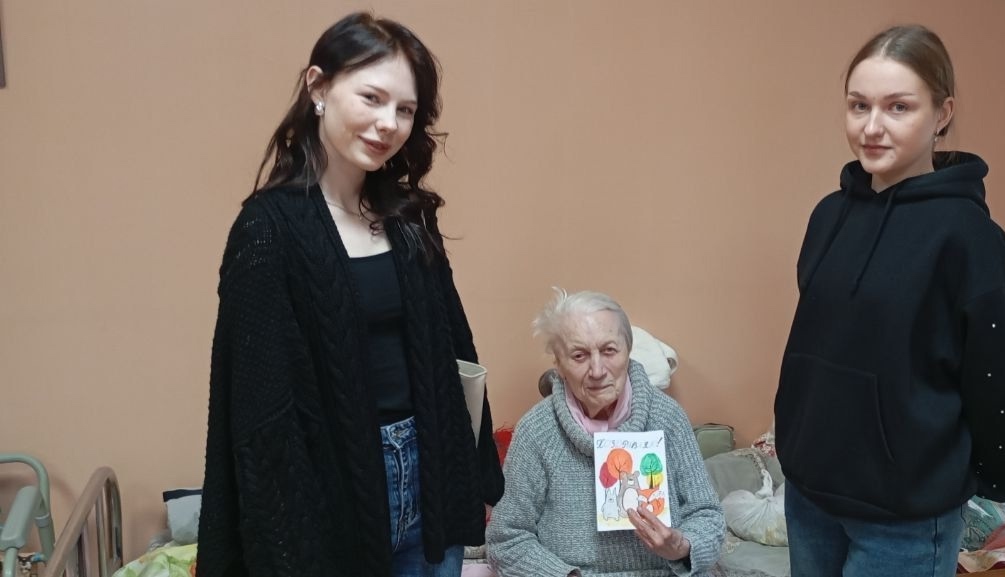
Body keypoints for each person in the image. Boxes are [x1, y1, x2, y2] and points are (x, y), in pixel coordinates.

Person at [197, 12, 503, 577]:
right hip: (331, 488)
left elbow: (454, 348)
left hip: (430, 472)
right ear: (318, 87)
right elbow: (260, 412)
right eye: (372, 98)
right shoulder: (267, 229)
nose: (388, 124)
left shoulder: (409, 217)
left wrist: (476, 468)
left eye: (405, 110)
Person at [772, 24, 1005, 577]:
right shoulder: (829, 216)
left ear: (942, 114)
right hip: (811, 498)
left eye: (898, 107)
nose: (872, 127)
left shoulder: (968, 237)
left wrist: (976, 479)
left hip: (905, 520)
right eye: (859, 106)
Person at [487, 289, 724, 576]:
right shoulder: (537, 431)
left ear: (628, 351)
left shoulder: (667, 418)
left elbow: (708, 515)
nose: (597, 370)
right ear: (558, 365)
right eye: (579, 355)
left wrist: (682, 546)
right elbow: (506, 539)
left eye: (609, 350)